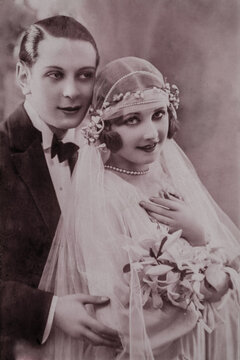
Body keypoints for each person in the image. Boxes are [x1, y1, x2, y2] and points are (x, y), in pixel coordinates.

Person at [37, 57, 240, 360]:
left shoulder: (170, 175)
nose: (151, 133)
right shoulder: (104, 199)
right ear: (103, 129)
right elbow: (116, 318)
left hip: (199, 346)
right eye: (132, 120)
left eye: (158, 114)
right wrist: (207, 278)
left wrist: (201, 239)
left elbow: (228, 261)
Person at [0, 15, 121, 360]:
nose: (72, 92)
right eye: (55, 74)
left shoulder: (104, 151)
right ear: (24, 77)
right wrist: (50, 311)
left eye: (84, 75)